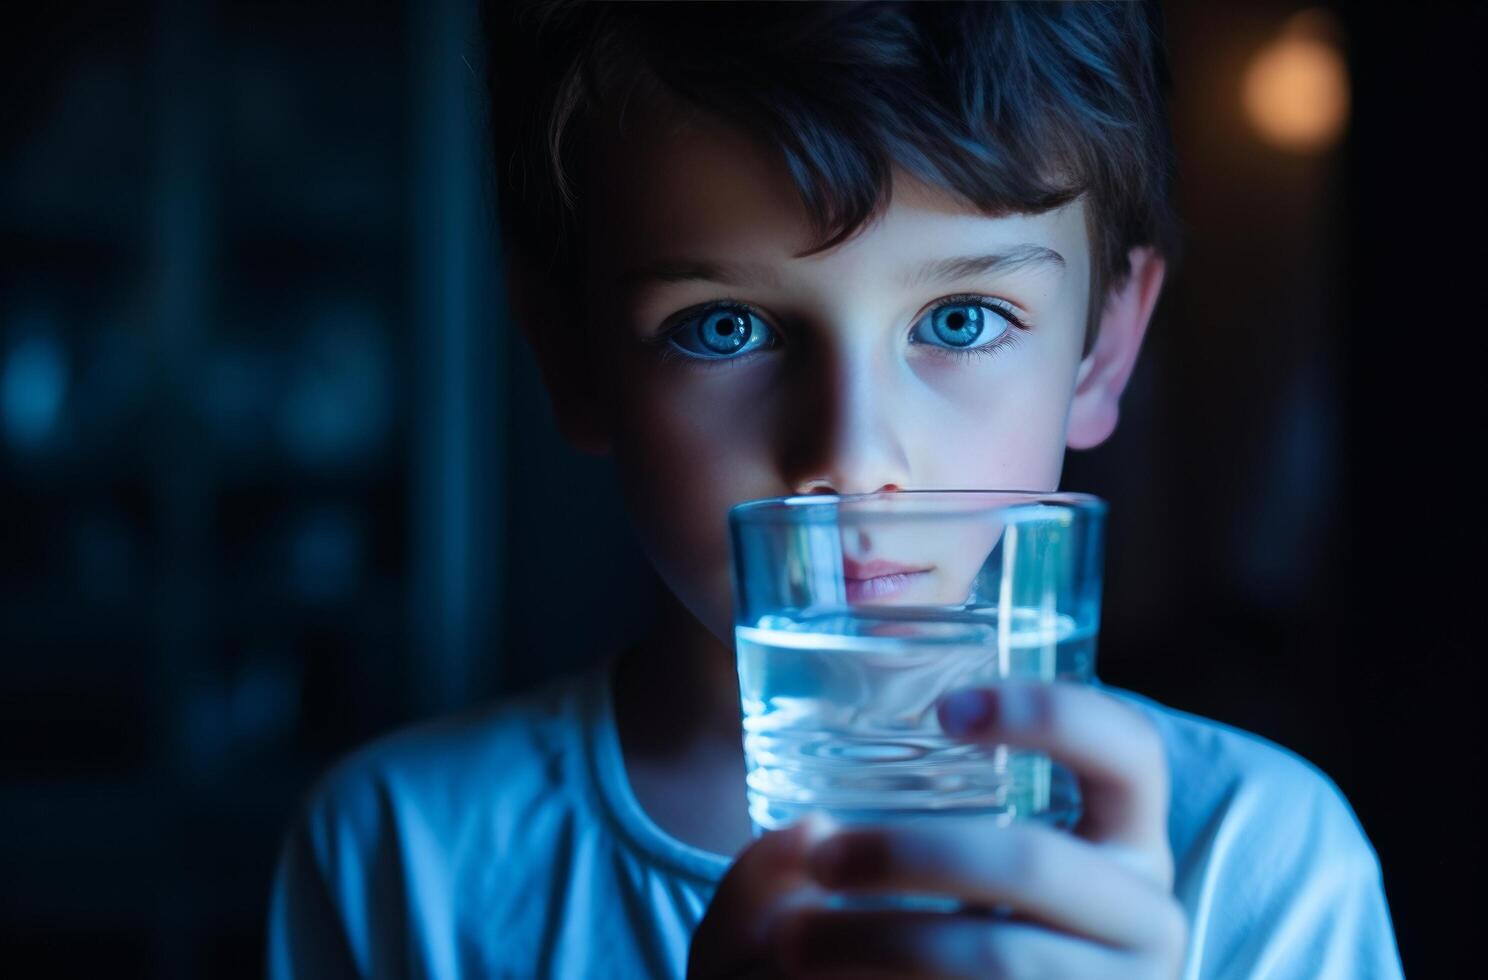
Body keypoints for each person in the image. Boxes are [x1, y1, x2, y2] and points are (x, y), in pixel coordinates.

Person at [266, 2, 1403, 977]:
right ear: (569, 357)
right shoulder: (402, 860)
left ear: (1102, 351)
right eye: (726, 326)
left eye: (961, 319)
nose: (852, 457)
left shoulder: (1262, 862)